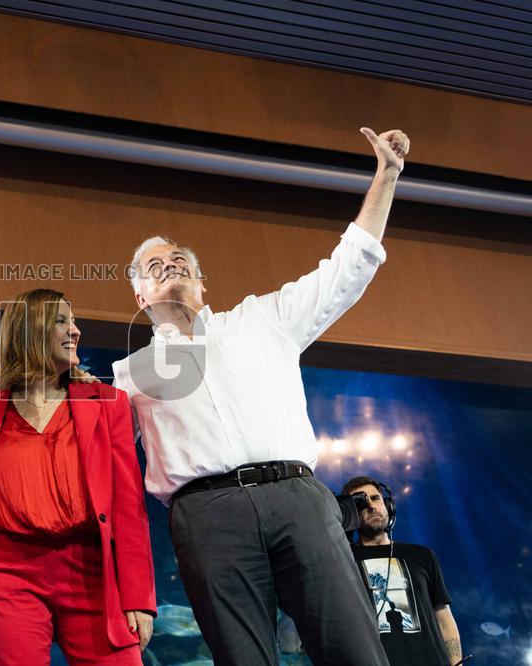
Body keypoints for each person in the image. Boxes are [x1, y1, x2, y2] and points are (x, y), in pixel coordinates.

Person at [113, 127, 411, 666]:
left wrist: (386, 177)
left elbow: (349, 267)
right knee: (242, 656)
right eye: (154, 266)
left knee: (353, 648)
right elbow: (96, 455)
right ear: (139, 296)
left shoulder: (262, 318)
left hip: (297, 497)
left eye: (179, 260)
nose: (169, 266)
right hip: (206, 513)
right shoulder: (129, 375)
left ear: (203, 282)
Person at [0, 288, 156, 665]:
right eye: (62, 321)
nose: (75, 330)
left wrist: (138, 597)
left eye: (74, 321)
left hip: (92, 571)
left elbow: (129, 507)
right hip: (6, 571)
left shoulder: (108, 404)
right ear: (28, 331)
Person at [343, 476, 463, 666]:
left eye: (375, 498)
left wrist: (457, 664)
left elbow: (443, 616)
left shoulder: (421, 555)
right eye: (361, 502)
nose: (371, 506)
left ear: (388, 505)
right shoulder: (343, 561)